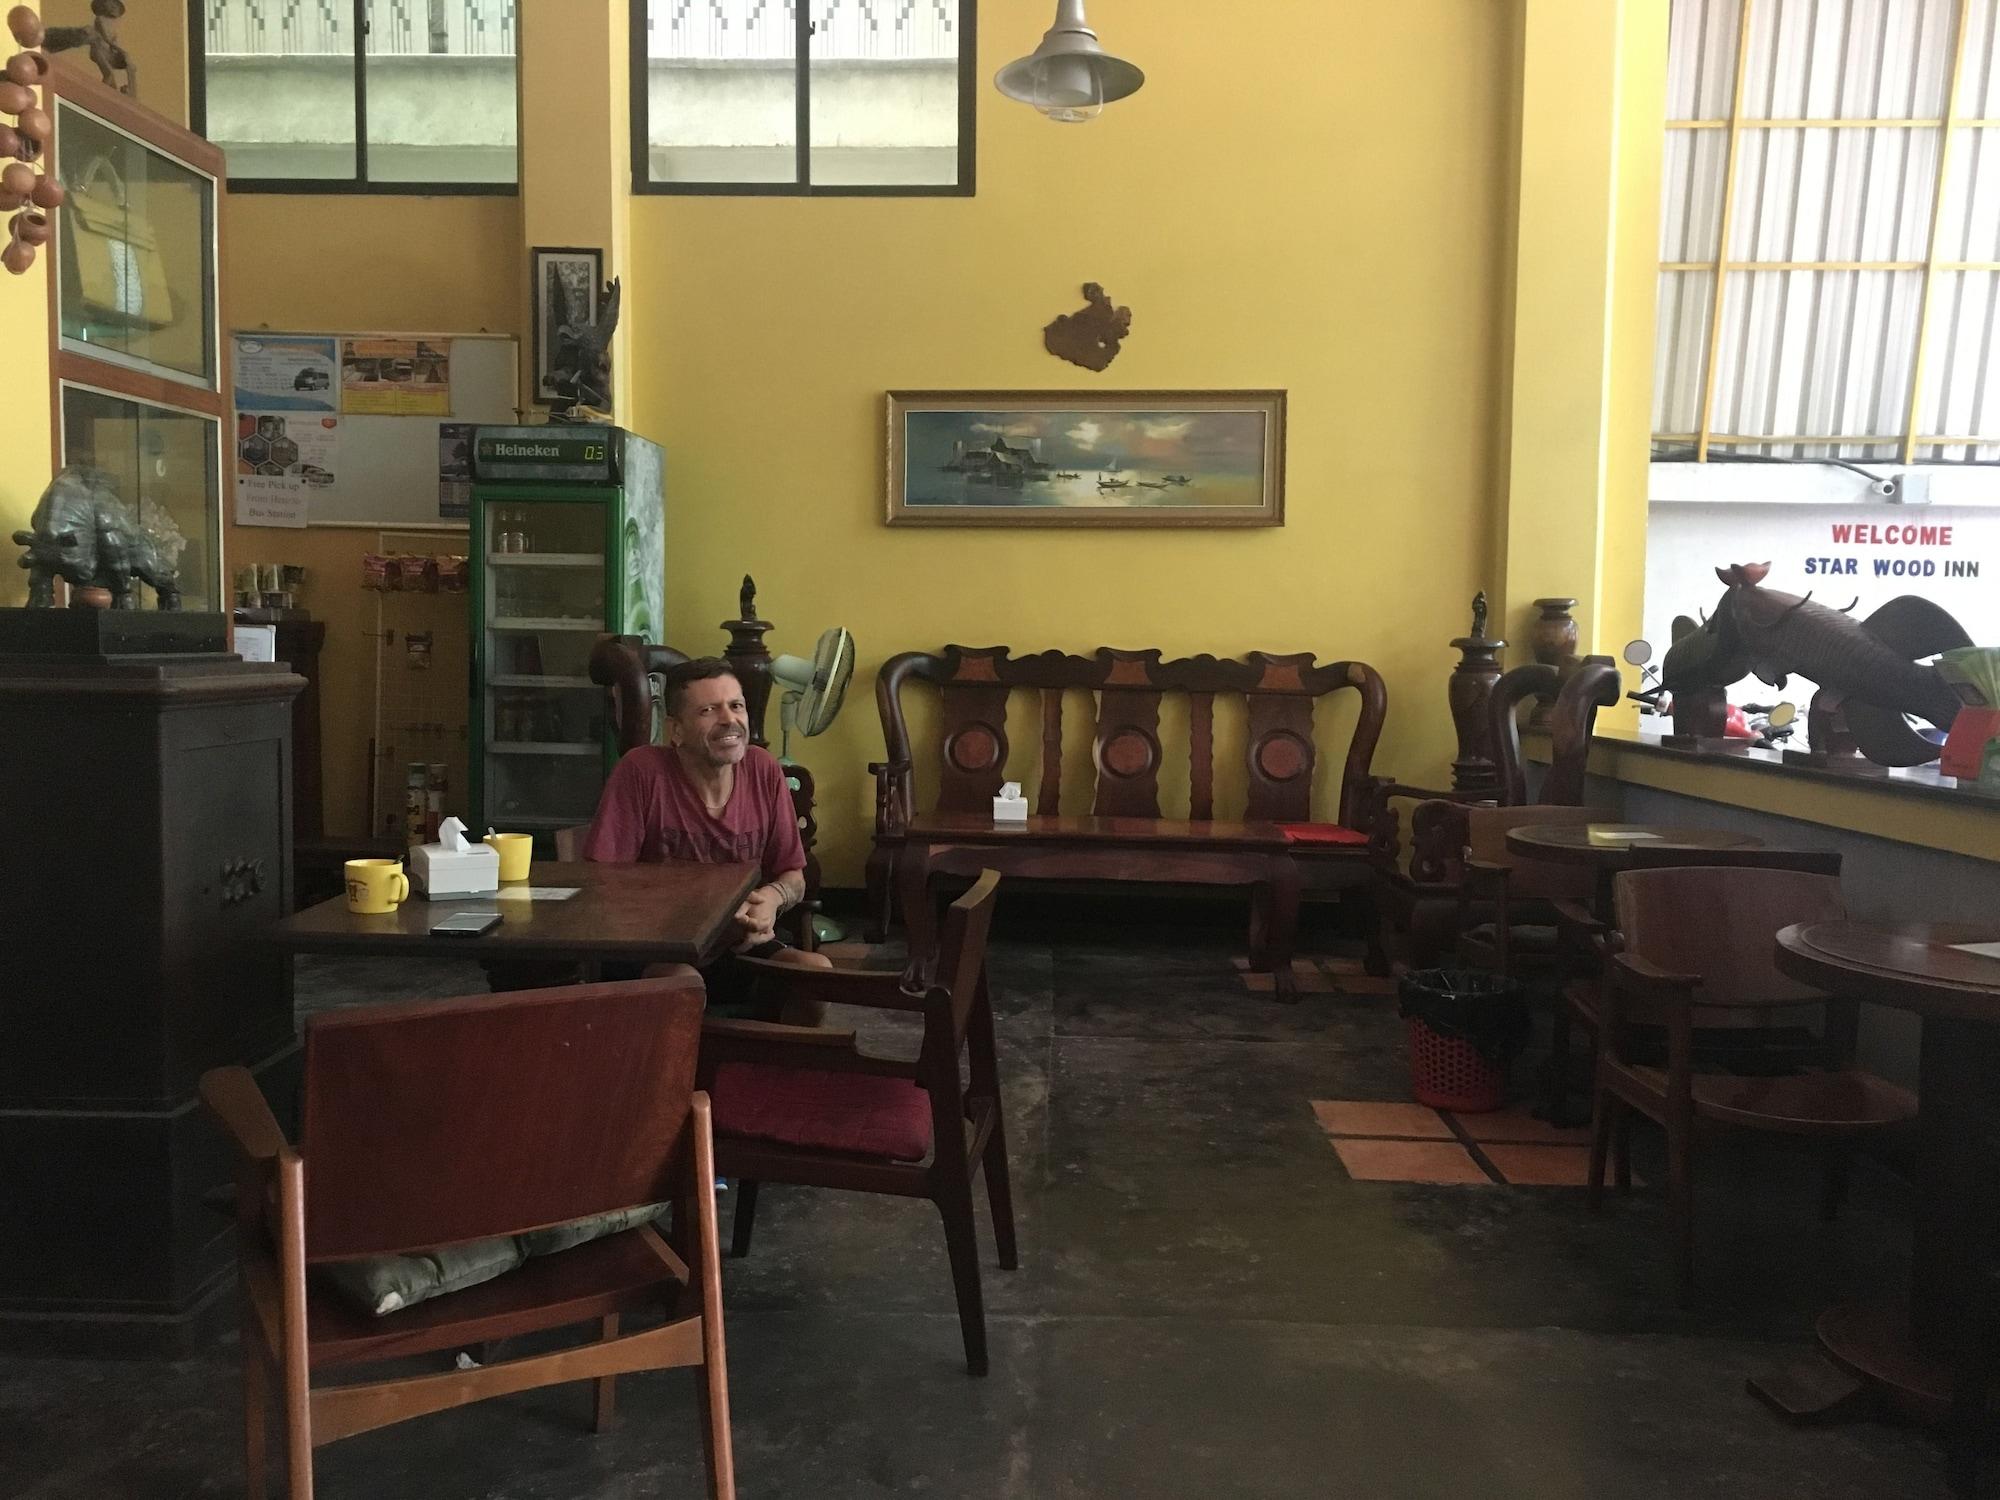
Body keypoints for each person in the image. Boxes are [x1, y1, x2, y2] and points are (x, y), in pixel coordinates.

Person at [579, 656, 831, 1017]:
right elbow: (601, 883)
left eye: (736, 706)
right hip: (661, 951)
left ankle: (767, 1055)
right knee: (682, 985)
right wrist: (708, 914)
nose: (729, 719)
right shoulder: (641, 771)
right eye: (708, 710)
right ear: (676, 730)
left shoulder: (763, 769)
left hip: (742, 945)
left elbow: (794, 876)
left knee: (817, 974)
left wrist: (772, 899)